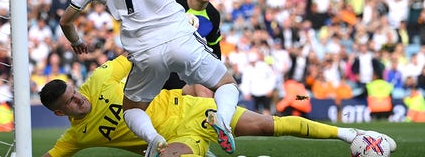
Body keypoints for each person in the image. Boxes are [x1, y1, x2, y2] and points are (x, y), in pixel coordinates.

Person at [59, 0, 263, 155]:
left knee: (132, 110)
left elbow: (66, 21)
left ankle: (154, 139)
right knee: (226, 85)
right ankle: (222, 119)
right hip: (178, 37)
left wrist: (77, 40)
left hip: (144, 51)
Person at [39, 55, 398, 157]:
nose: (78, 99)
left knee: (269, 124)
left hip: (193, 108)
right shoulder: (76, 137)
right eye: (70, 102)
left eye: (74, 91)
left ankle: (353, 135)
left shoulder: (100, 80)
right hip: (176, 138)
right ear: (60, 113)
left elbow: (133, 54)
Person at [163, 0, 222, 98]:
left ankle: (209, 118)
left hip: (188, 71)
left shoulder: (213, 15)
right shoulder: (176, 6)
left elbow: (215, 50)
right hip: (165, 68)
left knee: (207, 92)